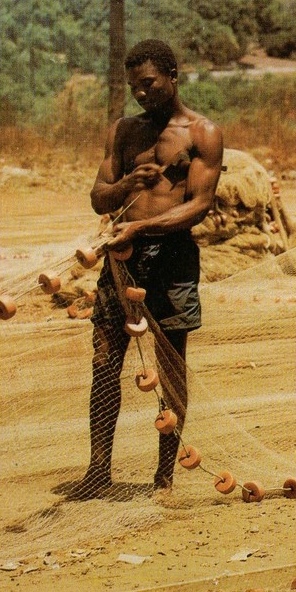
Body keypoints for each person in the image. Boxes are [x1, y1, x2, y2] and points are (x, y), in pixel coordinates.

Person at [72, 39, 223, 498]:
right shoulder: (123, 131)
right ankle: (98, 472)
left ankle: (164, 479)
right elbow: (98, 196)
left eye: (149, 84)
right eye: (134, 86)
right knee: (104, 364)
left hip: (172, 259)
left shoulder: (202, 133)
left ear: (173, 77)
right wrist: (124, 186)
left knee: (171, 366)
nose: (140, 94)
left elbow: (199, 205)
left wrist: (143, 229)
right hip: (122, 262)